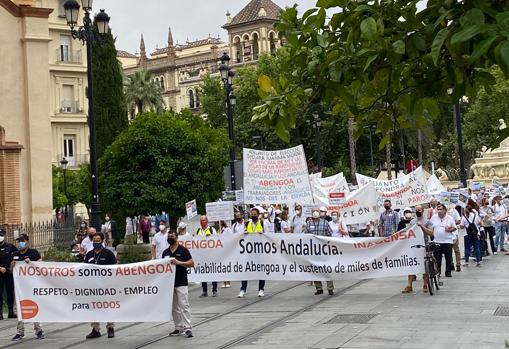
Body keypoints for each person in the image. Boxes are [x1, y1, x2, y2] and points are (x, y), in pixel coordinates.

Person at [11, 234, 44, 341]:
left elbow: (41, 266)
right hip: (20, 287)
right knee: (20, 308)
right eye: (19, 241)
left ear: (27, 242)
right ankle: (20, 332)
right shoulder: (15, 254)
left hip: (32, 285)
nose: (20, 243)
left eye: (22, 240)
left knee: (35, 306)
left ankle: (38, 330)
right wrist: (13, 264)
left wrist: (30, 263)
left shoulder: (33, 252)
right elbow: (11, 270)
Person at [84, 232, 116, 339]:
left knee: (108, 307)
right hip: (93, 287)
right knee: (93, 307)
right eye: (94, 241)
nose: (96, 242)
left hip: (106, 286)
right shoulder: (89, 254)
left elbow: (115, 269)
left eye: (98, 240)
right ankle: (95, 329)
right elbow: (84, 269)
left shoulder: (108, 253)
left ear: (102, 241)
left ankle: (110, 328)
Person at [163, 231, 194, 338]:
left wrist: (179, 263)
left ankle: (188, 327)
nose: (170, 238)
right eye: (169, 237)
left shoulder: (183, 250)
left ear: (177, 238)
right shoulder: (165, 252)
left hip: (181, 282)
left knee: (184, 305)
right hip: (170, 284)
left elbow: (191, 263)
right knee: (174, 307)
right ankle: (178, 327)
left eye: (172, 236)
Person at [402, 205, 434, 293]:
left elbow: (431, 233)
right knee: (412, 265)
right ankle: (409, 285)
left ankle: (425, 284)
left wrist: (422, 227)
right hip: (414, 245)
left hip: (424, 245)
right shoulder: (412, 221)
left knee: (425, 265)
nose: (418, 211)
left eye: (419, 210)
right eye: (416, 210)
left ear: (423, 210)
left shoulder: (427, 221)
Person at [238, 207, 266, 298]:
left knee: (261, 270)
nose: (253, 216)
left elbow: (268, 235)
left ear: (258, 215)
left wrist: (262, 233)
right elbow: (243, 235)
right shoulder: (247, 224)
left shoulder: (262, 223)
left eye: (255, 214)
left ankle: (261, 289)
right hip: (249, 251)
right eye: (252, 214)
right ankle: (243, 289)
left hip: (259, 251)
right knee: (245, 270)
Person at [306, 207, 334, 295]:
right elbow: (305, 234)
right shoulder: (309, 223)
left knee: (326, 269)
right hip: (313, 250)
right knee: (314, 269)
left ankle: (330, 288)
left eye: (317, 211)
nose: (315, 213)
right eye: (314, 211)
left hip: (324, 250)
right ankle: (319, 288)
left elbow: (330, 233)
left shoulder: (325, 222)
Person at [429, 203, 457, 277]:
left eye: (441, 209)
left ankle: (448, 272)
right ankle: (438, 272)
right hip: (437, 241)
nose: (439, 211)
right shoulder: (434, 217)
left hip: (447, 241)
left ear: (445, 210)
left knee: (448, 258)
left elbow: (454, 228)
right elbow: (430, 227)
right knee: (437, 258)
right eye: (438, 209)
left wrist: (449, 229)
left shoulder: (450, 218)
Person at [196, 216, 217, 297]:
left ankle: (214, 290)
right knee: (203, 273)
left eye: (203, 220)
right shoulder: (198, 230)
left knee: (212, 273)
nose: (202, 222)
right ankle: (204, 291)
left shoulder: (212, 230)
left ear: (207, 221)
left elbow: (216, 240)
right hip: (201, 255)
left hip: (211, 255)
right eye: (201, 220)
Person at [0, 229, 17, 320]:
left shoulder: (10, 247)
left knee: (10, 292)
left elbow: (18, 255)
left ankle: (11, 312)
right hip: (0, 273)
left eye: (2, 235)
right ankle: (0, 313)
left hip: (9, 272)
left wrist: (14, 262)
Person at [448, 204, 462, 272]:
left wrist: (452, 223)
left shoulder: (454, 211)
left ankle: (458, 264)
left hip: (454, 233)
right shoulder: (439, 214)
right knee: (448, 250)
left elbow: (459, 220)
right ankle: (451, 264)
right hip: (446, 235)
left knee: (456, 249)